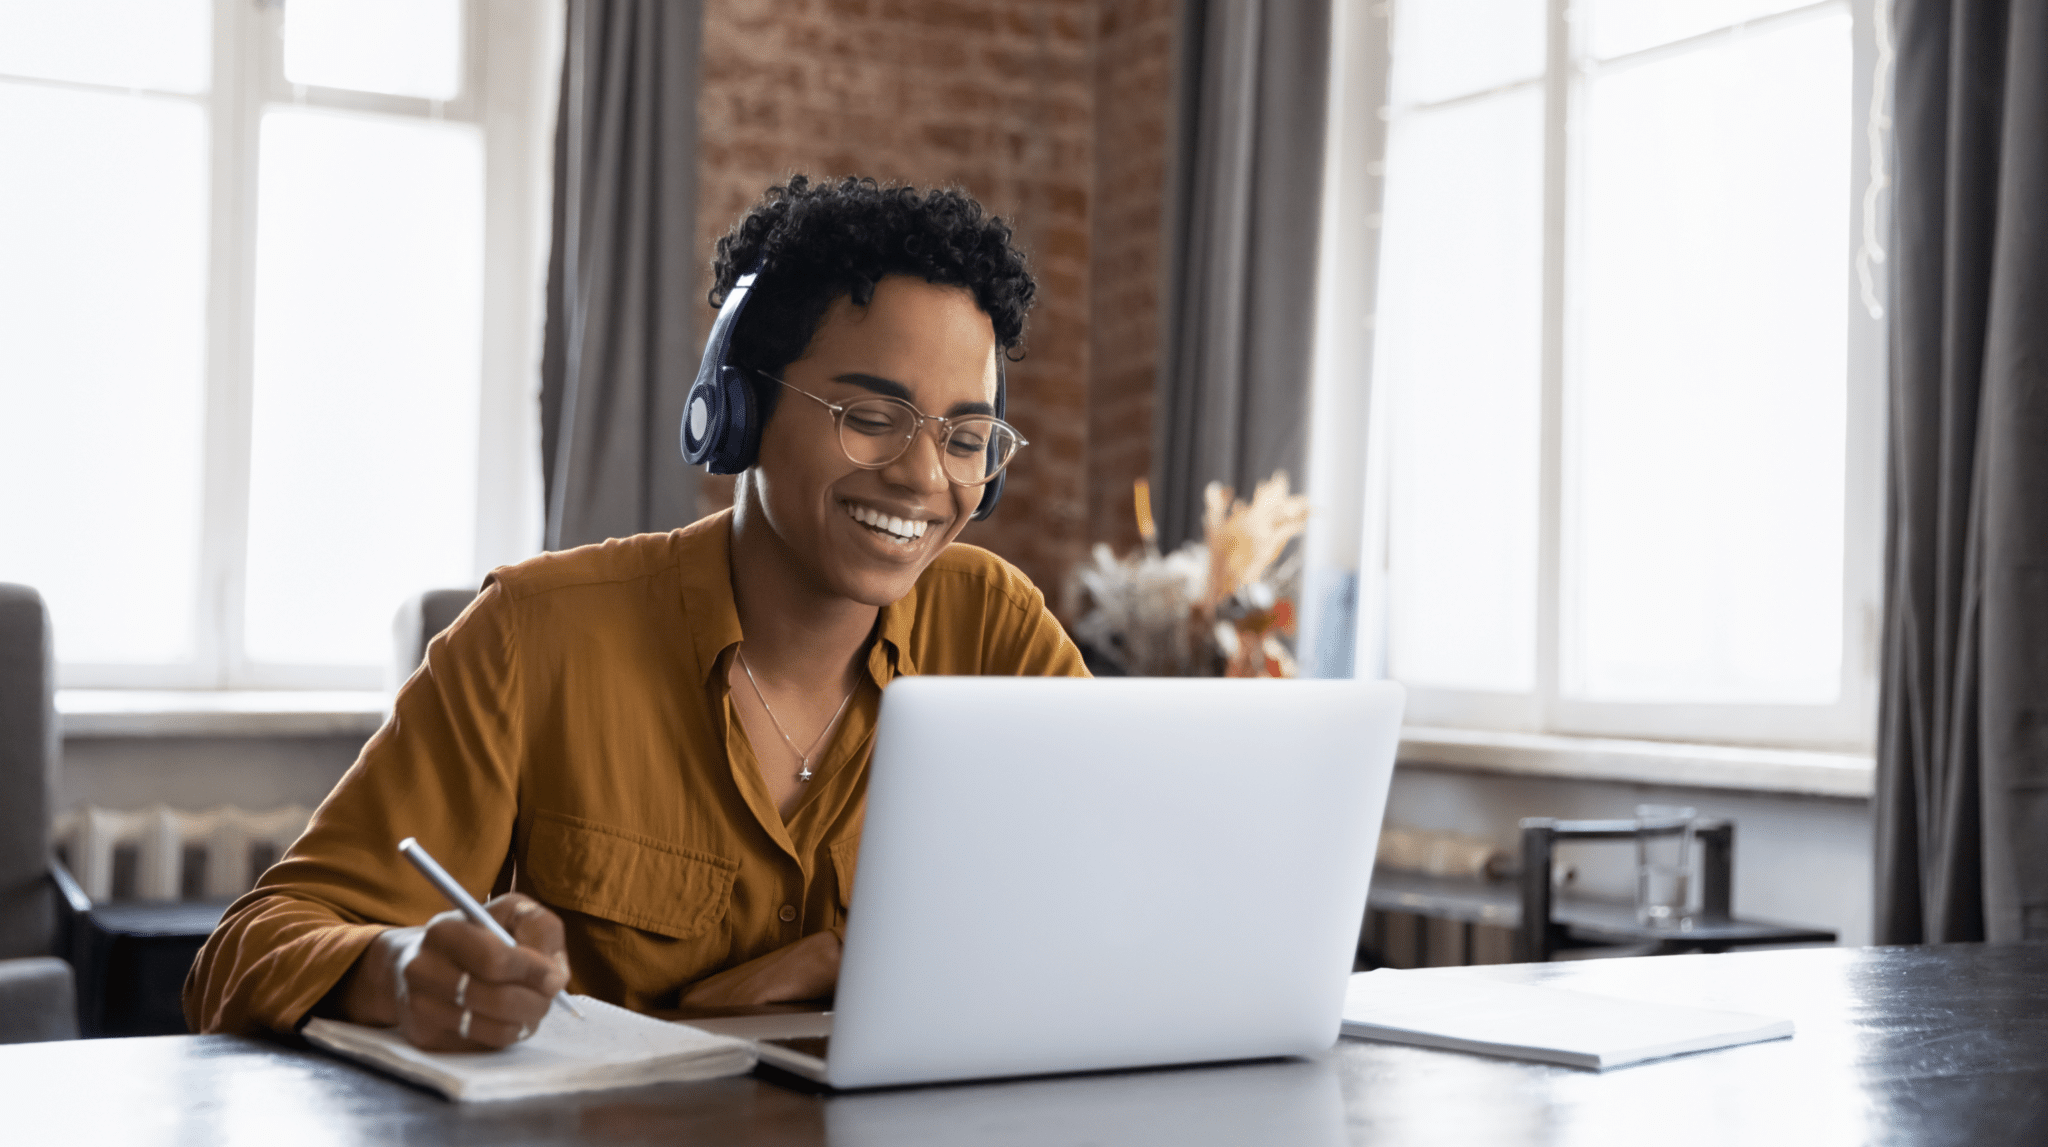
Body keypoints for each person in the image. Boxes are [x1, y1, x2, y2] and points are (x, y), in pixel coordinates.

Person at [184, 176, 1089, 1047]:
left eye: (967, 438)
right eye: (871, 414)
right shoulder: (533, 636)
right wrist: (404, 964)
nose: (927, 478)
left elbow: (1119, 903)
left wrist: (860, 961)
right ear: (737, 408)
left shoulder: (997, 633)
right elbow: (248, 948)